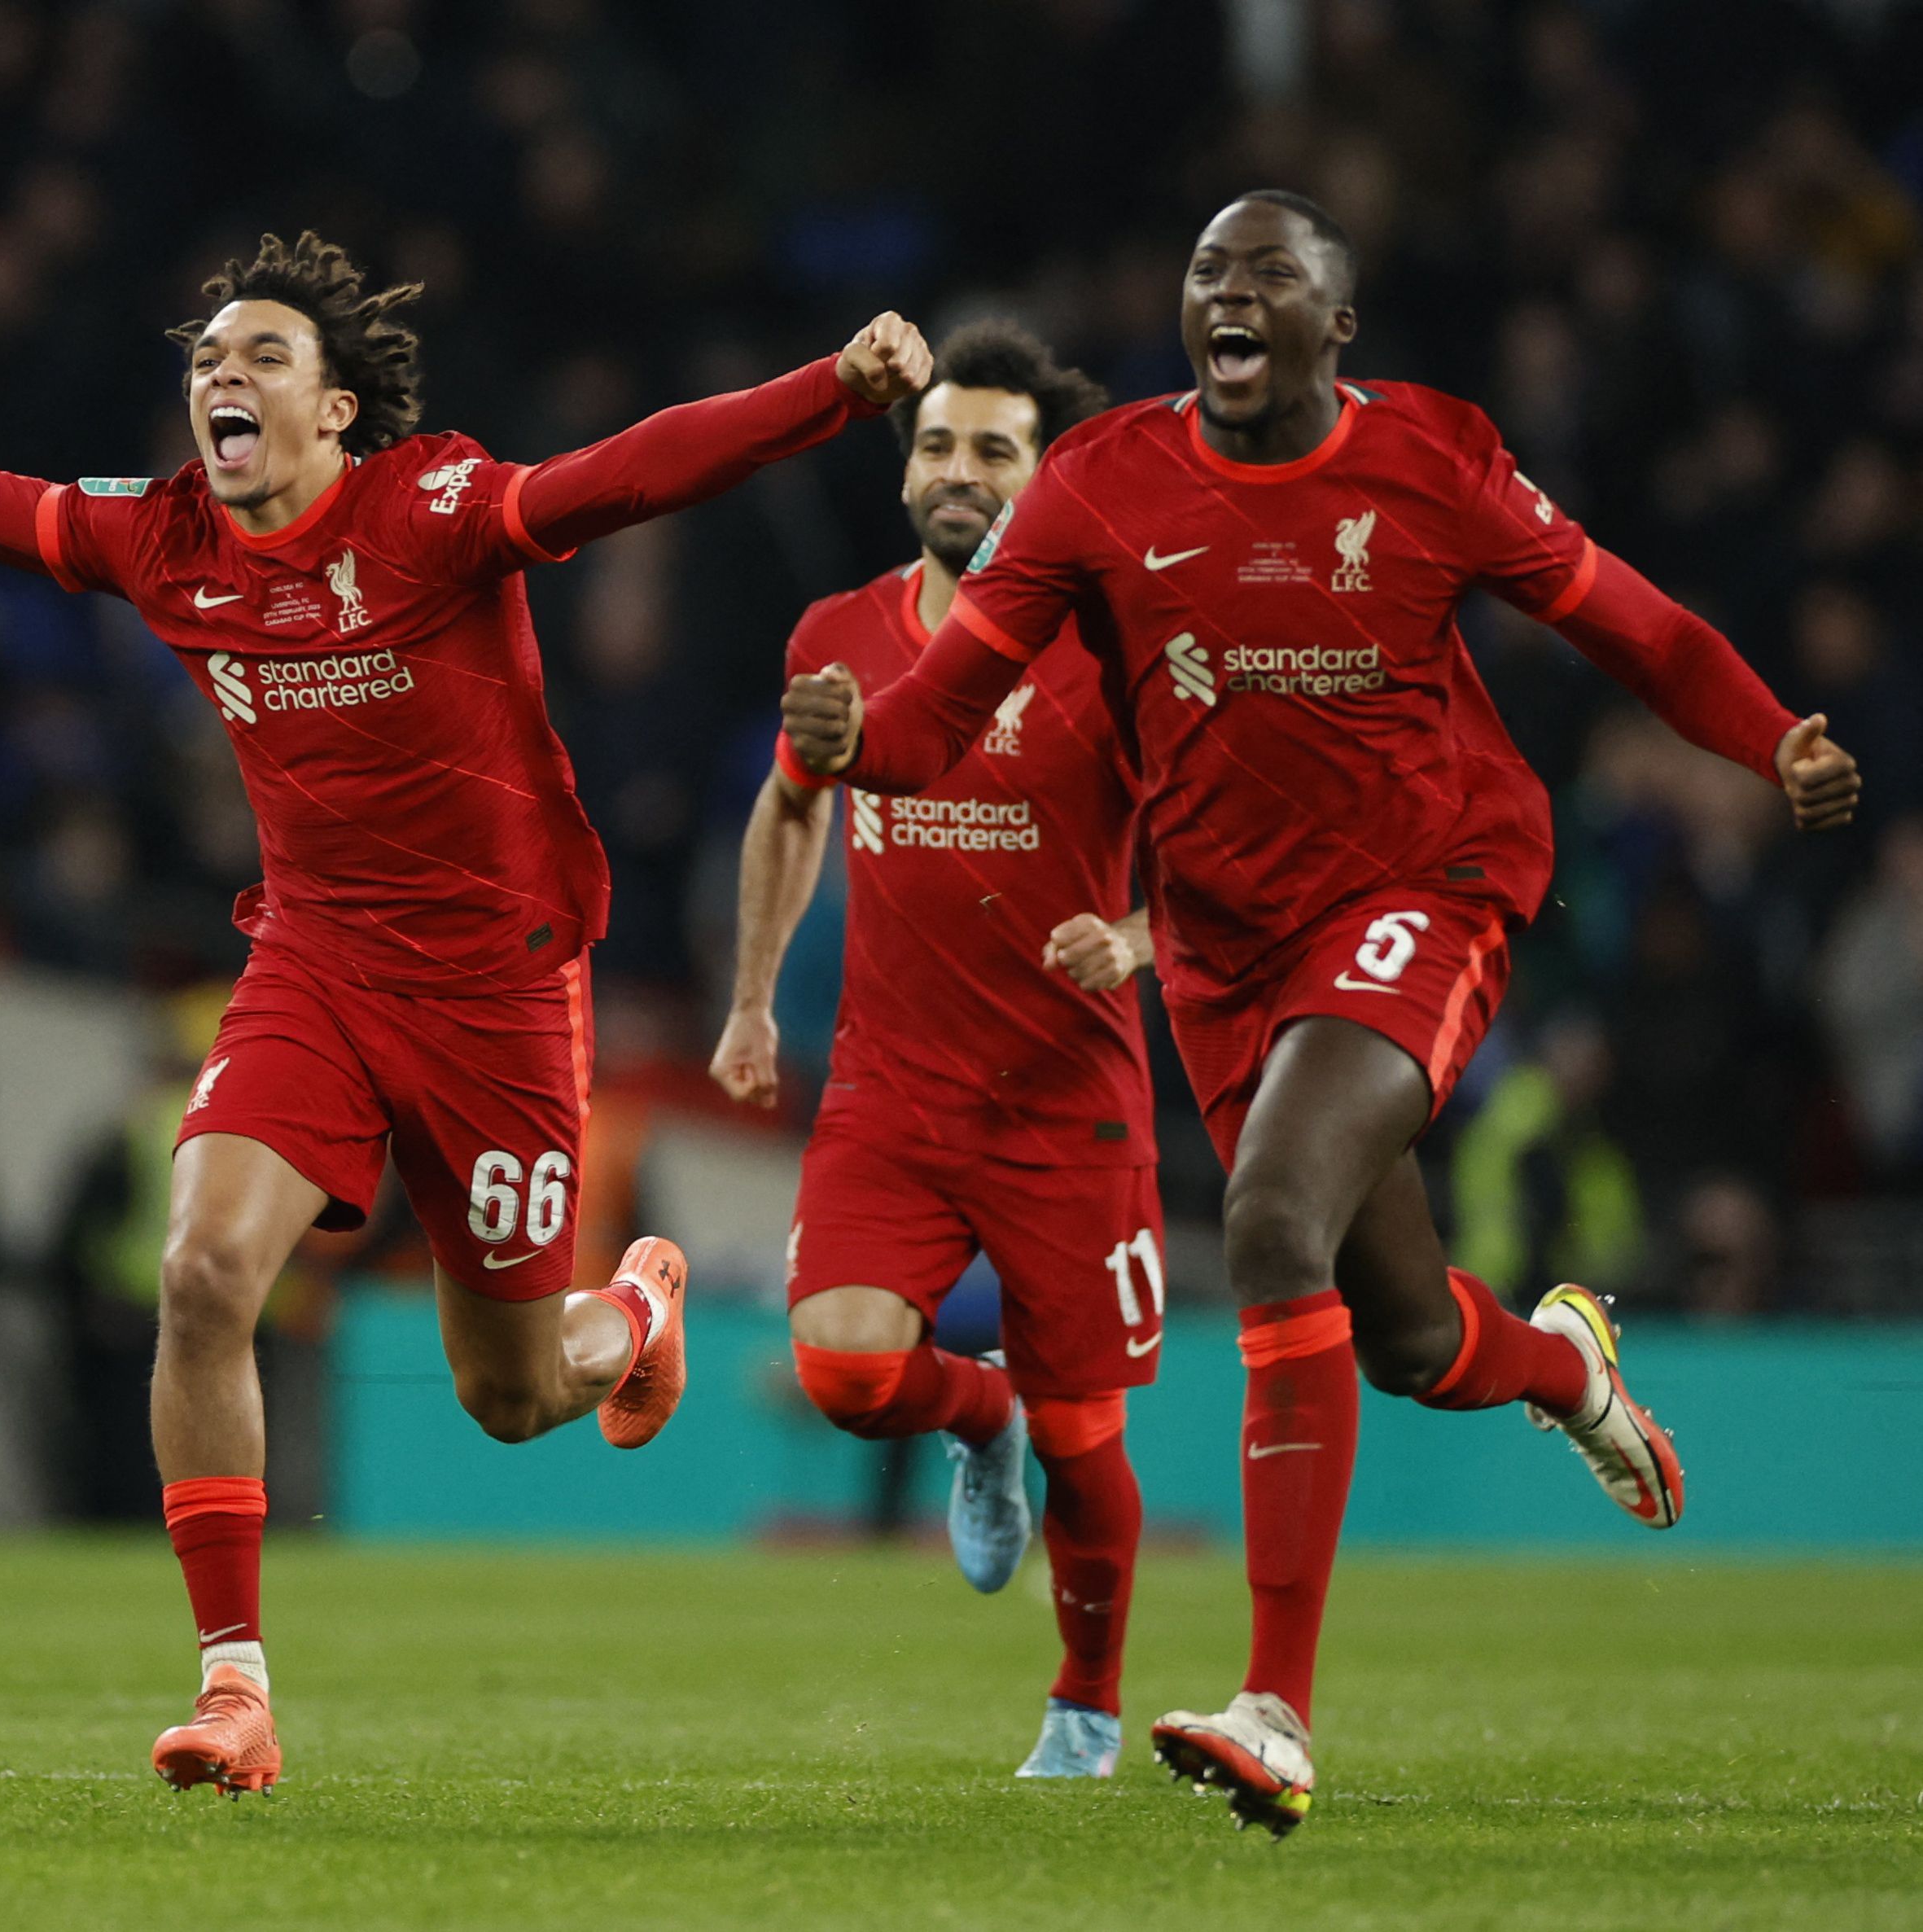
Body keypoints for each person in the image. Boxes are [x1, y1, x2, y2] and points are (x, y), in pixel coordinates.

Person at [0, 231, 931, 1794]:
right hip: (313, 960)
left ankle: (631, 1312)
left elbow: (630, 474)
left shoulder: (431, 510)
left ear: (339, 410)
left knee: (506, 1399)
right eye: (206, 358)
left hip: (498, 987)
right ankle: (234, 1689)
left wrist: (827, 394)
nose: (221, 375)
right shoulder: (160, 538)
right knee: (204, 1267)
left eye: (263, 355)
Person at [780, 192, 1860, 1835]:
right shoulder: (1099, 484)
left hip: (1421, 890)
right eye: (1208, 269)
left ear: (1330, 327)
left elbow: (1625, 621)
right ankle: (1560, 1361)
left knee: (1274, 1217)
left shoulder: (1428, 460)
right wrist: (856, 738)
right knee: (1414, 1335)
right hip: (1223, 948)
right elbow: (944, 715)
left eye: (1267, 274)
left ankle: (1274, 1705)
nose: (1228, 293)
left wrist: (1770, 733)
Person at [708, 321, 1159, 1781]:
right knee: (840, 1371)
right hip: (891, 1087)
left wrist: (1141, 941)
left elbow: (1239, 843)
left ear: (1046, 481)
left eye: (992, 450)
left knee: (1091, 1445)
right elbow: (791, 805)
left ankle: (1083, 1706)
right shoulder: (834, 634)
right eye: (936, 443)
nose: (955, 472)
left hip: (1065, 1102)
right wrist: (752, 1000)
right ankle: (979, 1418)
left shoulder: (1116, 647)